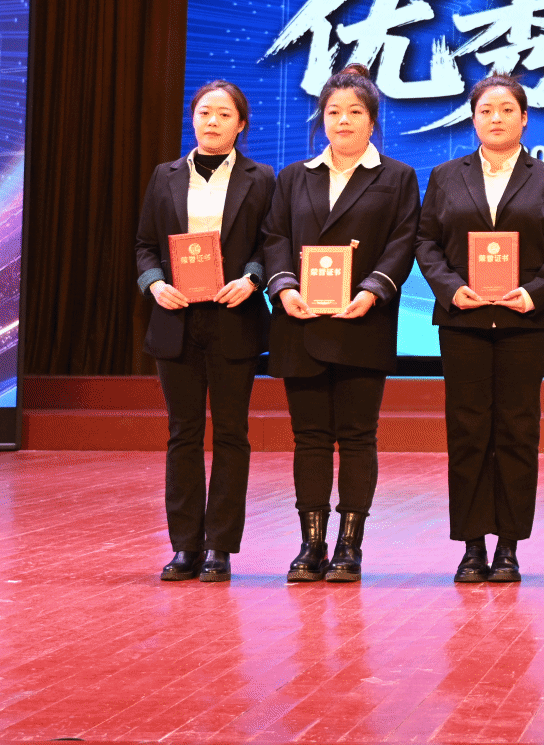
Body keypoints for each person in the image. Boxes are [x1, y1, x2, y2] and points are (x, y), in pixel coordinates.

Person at [414, 73, 544, 585]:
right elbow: (426, 242)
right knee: (467, 430)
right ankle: (471, 546)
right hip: (462, 320)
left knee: (516, 430)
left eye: (507, 109)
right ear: (473, 119)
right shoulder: (446, 175)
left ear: (524, 118)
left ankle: (508, 544)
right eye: (486, 110)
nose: (496, 118)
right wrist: (450, 288)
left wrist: (534, 293)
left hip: (523, 322)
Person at [262, 64, 420, 585]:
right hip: (300, 323)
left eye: (355, 112)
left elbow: (402, 243)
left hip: (362, 322)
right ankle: (310, 544)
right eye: (333, 112)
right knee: (309, 438)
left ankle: (350, 546)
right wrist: (285, 287)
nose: (343, 120)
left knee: (356, 437)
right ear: (322, 119)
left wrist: (371, 290)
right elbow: (274, 237)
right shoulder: (294, 176)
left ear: (372, 121)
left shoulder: (396, 177)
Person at [132, 80, 276, 583]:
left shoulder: (262, 178)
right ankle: (185, 546)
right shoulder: (165, 175)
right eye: (204, 112)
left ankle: (220, 546)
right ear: (192, 119)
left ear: (241, 124)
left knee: (232, 434)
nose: (212, 121)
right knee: (183, 434)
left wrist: (252, 279)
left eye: (224, 114)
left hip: (234, 317)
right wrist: (155, 285)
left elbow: (271, 243)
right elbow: (145, 245)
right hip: (176, 319)